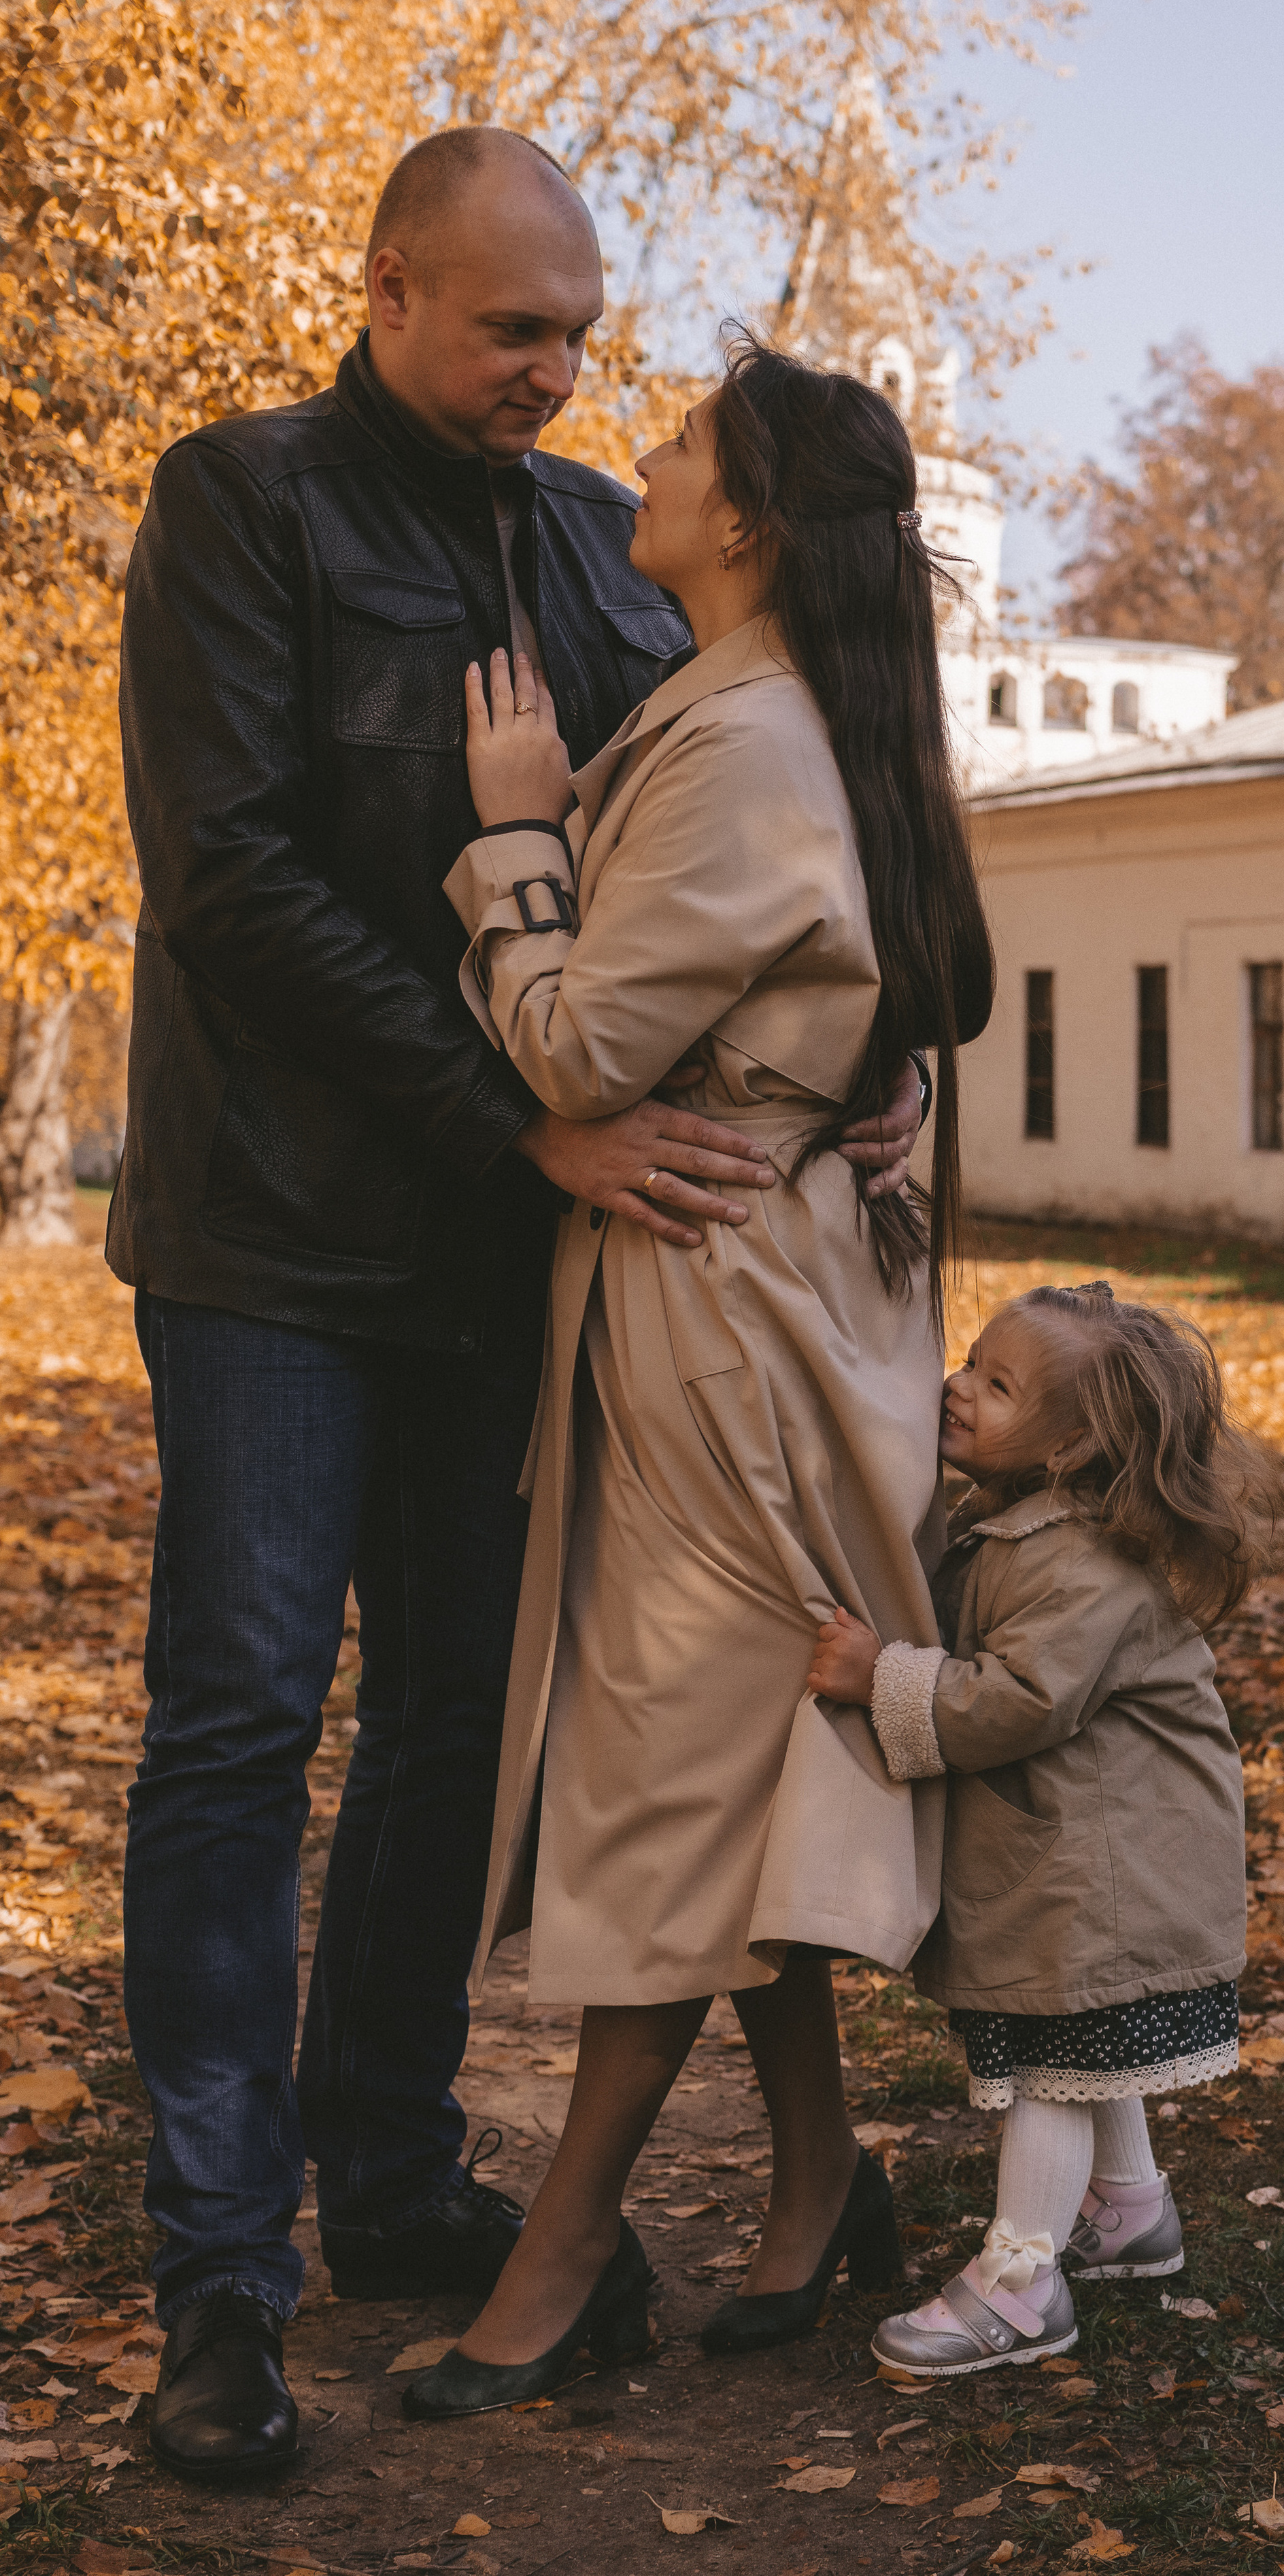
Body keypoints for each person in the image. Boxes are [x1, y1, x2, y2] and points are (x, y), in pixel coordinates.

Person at [110, 131, 923, 2481]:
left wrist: (884, 1061)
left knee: (460, 1734)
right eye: (513, 333)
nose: (559, 375)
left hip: (524, 1272)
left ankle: (386, 2173)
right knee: (243, 1723)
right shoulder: (241, 500)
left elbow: (782, 813)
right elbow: (229, 882)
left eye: (582, 334)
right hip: (275, 1237)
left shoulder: (603, 545)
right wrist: (524, 1125)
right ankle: (220, 2272)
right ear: (389, 291)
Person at [397, 332, 996, 2421]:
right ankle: (826, 2183)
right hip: (772, 1285)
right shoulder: (782, 712)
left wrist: (513, 839)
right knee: (760, 1758)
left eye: (674, 442)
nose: (631, 451)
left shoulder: (745, 743)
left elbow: (574, 1050)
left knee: (673, 1778)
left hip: (710, 1306)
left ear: (741, 521)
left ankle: (558, 2264)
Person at [807, 1281, 1265, 2377]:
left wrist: (885, 1677)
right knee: (1085, 2046)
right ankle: (1133, 2210)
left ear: (1068, 1449)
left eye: (997, 1385)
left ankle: (1020, 2287)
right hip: (1086, 1855)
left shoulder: (1081, 1561)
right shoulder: (1029, 1525)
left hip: (1111, 1872)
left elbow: (1019, 1701)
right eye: (971, 1360)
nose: (958, 1386)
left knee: (1057, 2071)